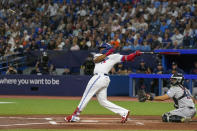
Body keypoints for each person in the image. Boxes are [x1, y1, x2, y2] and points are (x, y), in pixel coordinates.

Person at [65, 43, 142, 123]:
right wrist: (108, 53)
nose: (100, 49)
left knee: (86, 96)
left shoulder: (115, 56)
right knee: (103, 101)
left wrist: (135, 54)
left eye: (102, 48)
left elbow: (127, 58)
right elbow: (96, 60)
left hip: (100, 78)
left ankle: (74, 115)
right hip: (100, 78)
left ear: (106, 48)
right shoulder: (98, 55)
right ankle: (124, 112)